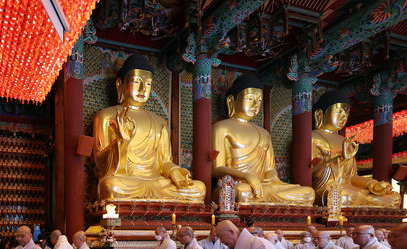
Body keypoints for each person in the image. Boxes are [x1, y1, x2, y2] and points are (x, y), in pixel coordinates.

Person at [92, 54, 205, 202]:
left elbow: (164, 162)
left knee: (199, 188)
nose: (142, 89)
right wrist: (122, 141)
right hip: (126, 183)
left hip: (156, 182)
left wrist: (174, 171)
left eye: (147, 84)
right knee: (110, 186)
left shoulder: (159, 121)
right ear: (120, 84)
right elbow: (101, 165)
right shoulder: (106, 116)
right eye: (137, 81)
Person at [211, 73, 315, 206]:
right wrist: (246, 176)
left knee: (308, 193)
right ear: (232, 100)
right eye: (250, 99)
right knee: (241, 192)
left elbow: (270, 169)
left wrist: (271, 177)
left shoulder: (264, 133)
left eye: (259, 100)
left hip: (264, 187)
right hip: (236, 185)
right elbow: (216, 168)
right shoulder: (221, 128)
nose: (255, 104)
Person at [311, 90, 400, 207]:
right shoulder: (312, 137)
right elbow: (309, 171)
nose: (343, 117)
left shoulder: (345, 141)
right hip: (326, 189)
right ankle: (362, 200)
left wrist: (372, 184)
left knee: (394, 198)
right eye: (338, 112)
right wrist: (340, 159)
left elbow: (352, 177)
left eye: (346, 113)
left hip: (350, 190)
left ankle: (363, 199)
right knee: (341, 196)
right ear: (319, 114)